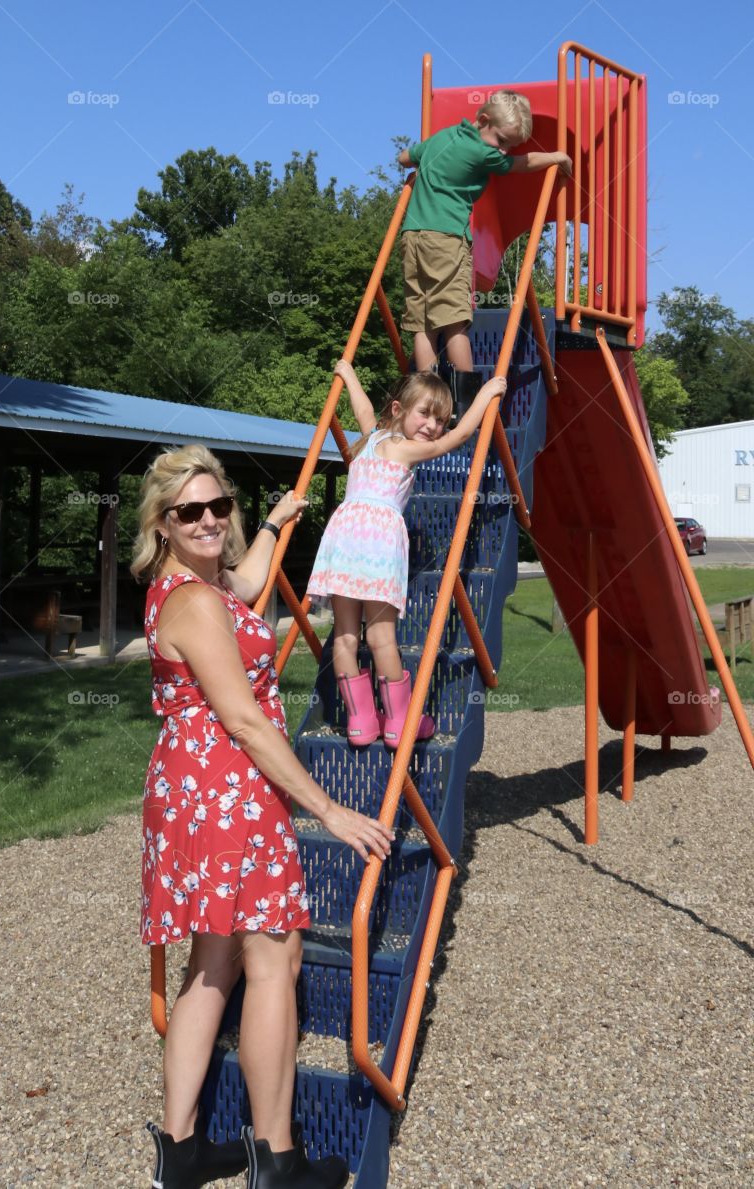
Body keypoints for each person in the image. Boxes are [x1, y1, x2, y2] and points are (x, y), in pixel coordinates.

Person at [132, 444, 394, 1189]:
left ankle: (180, 1153)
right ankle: (277, 1159)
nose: (211, 519)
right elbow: (245, 720)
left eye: (221, 506)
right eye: (192, 511)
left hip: (191, 791)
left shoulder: (190, 587)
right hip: (229, 792)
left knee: (211, 965)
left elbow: (246, 582)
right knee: (273, 960)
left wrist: (277, 523)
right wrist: (329, 808)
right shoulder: (193, 601)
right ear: (163, 524)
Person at [307, 360, 507, 748]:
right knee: (382, 638)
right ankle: (399, 722)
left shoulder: (372, 439)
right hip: (378, 546)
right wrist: (487, 392)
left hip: (344, 541)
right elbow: (461, 436)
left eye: (441, 419)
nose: (433, 427)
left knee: (345, 638)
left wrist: (350, 375)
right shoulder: (409, 450)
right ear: (399, 410)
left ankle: (361, 722)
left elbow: (364, 409)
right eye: (426, 414)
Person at [397, 89, 572, 376]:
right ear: (483, 120)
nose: (502, 150)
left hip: (413, 236)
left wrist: (419, 168)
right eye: (501, 141)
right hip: (447, 239)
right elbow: (519, 165)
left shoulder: (444, 137)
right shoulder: (481, 151)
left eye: (509, 146)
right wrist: (555, 156)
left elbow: (406, 157)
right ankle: (466, 406)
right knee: (455, 323)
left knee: (423, 324)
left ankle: (425, 400)